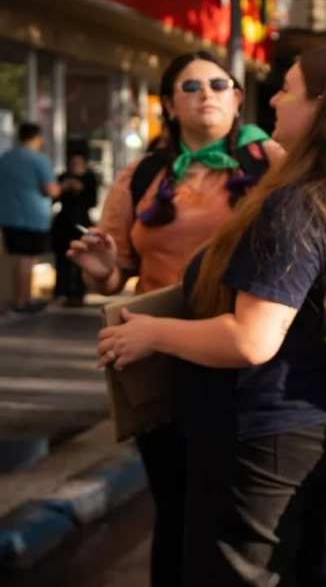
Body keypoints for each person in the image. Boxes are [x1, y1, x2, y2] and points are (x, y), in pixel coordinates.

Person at [95, 47, 326, 585]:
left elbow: (252, 338)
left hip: (261, 438)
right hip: (317, 425)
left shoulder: (295, 203)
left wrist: (152, 332)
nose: (274, 100)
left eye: (287, 89)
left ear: (321, 106)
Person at [68, 51, 279, 587]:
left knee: (233, 518)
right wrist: (102, 270)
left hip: (240, 357)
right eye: (191, 86)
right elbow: (114, 274)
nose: (206, 93)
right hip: (157, 359)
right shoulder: (142, 173)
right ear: (168, 103)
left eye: (218, 84)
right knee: (175, 508)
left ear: (237, 97)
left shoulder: (273, 162)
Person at [0, 122, 60, 314]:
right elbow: (51, 189)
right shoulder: (39, 160)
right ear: (36, 137)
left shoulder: (5, 158)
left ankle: (21, 298)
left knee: (18, 257)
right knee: (27, 259)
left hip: (8, 215)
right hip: (33, 216)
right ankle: (23, 300)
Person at [51, 152, 99, 306]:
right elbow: (53, 198)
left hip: (81, 221)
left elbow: (93, 202)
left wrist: (80, 189)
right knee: (62, 259)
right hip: (63, 223)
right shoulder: (63, 178)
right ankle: (61, 292)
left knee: (81, 258)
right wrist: (63, 188)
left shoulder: (90, 179)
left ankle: (79, 292)